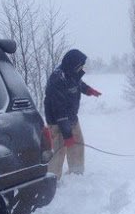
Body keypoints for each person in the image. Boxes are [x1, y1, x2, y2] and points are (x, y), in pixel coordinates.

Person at [44, 49, 102, 180]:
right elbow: (59, 111)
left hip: (71, 117)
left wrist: (89, 90)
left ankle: (76, 174)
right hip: (57, 121)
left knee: (77, 144)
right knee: (59, 150)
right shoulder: (57, 79)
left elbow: (78, 84)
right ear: (73, 64)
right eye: (80, 65)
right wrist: (67, 134)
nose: (82, 67)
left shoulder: (71, 73)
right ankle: (52, 179)